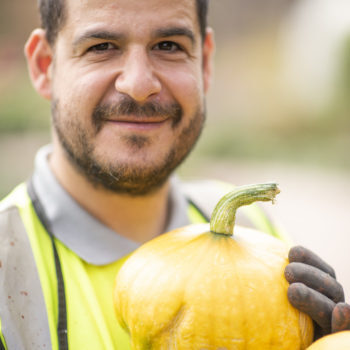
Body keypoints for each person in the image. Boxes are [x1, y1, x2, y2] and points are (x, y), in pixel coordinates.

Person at [0, 0, 349, 348]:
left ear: (206, 64)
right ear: (44, 66)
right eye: (101, 47)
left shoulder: (254, 228)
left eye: (169, 46)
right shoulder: (7, 264)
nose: (139, 84)